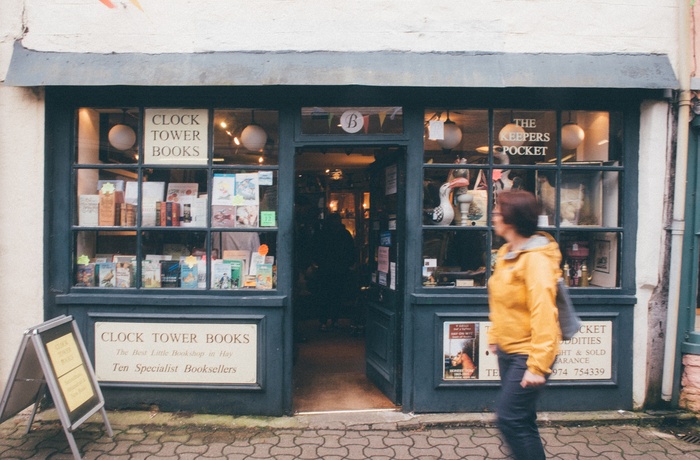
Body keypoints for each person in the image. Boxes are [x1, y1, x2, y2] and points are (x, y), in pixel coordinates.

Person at [487, 190, 561, 460]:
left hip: (528, 354)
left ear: (512, 218)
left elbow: (545, 312)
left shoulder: (536, 259)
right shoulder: (507, 252)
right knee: (522, 420)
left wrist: (538, 365)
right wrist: (495, 334)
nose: (493, 217)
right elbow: (499, 298)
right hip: (509, 350)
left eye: (497, 212)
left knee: (509, 418)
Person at [312, 212, 355, 331]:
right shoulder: (345, 234)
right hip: (339, 270)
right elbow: (352, 251)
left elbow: (315, 250)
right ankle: (333, 320)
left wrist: (317, 264)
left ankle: (324, 321)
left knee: (325, 297)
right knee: (336, 296)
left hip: (326, 270)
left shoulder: (322, 234)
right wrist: (349, 264)